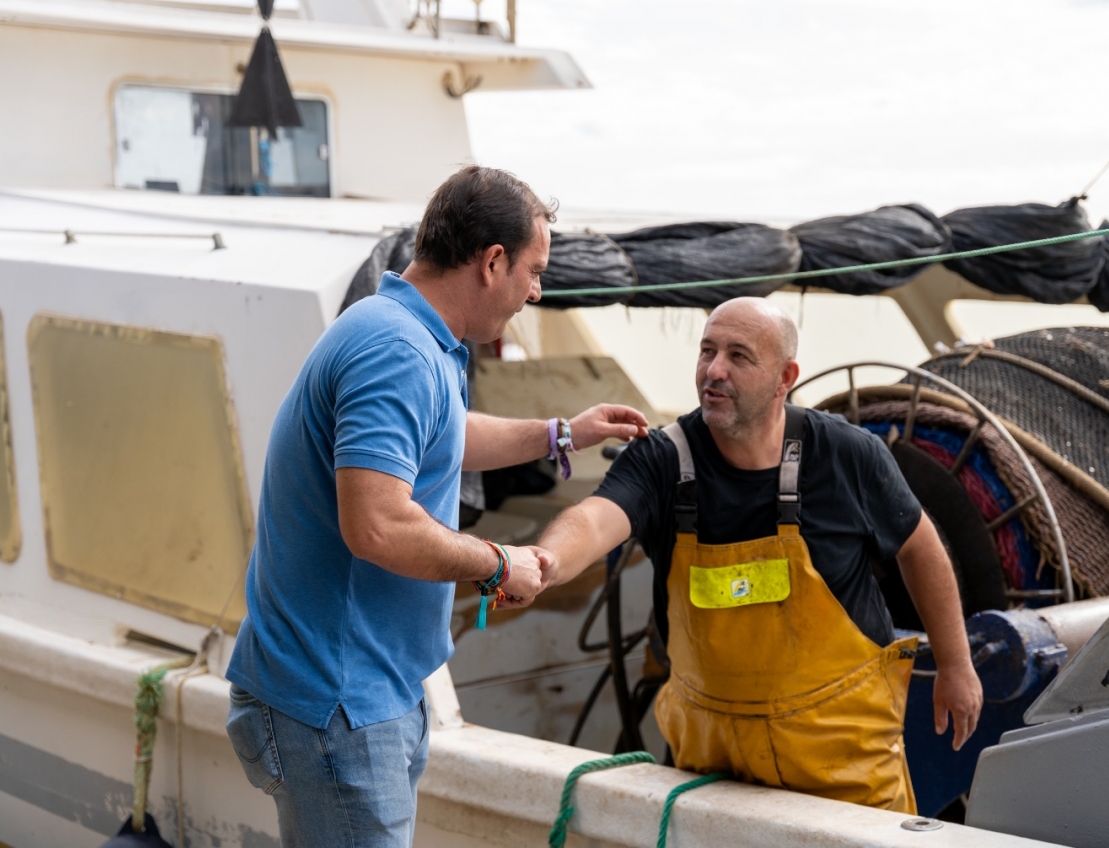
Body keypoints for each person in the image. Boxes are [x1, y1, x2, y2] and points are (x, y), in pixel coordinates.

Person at [224, 165, 649, 848]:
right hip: (338, 705)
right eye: (533, 271)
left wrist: (560, 433)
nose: (535, 291)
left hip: (371, 692)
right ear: (491, 261)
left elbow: (444, 435)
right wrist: (496, 562)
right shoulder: (395, 350)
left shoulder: (410, 331)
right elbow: (377, 524)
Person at [535, 297, 982, 812]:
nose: (714, 370)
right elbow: (593, 519)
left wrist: (955, 663)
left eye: (739, 356)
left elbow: (921, 548)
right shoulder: (662, 459)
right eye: (707, 351)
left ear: (784, 376)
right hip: (713, 766)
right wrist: (545, 562)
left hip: (843, 764)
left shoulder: (846, 454)